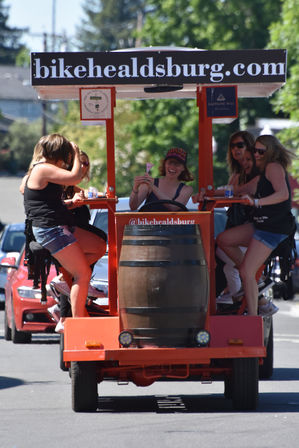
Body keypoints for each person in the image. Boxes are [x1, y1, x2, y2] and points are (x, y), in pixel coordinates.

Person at [23, 134, 106, 320]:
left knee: (99, 245)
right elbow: (74, 177)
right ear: (59, 153)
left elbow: (51, 203)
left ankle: (64, 278)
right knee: (83, 273)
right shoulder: (42, 169)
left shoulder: (45, 171)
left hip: (56, 226)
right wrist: (76, 153)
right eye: (67, 155)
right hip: (51, 229)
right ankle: (78, 321)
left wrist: (70, 203)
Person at [216, 135, 295, 316]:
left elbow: (282, 194)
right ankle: (261, 282)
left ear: (271, 152)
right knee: (224, 240)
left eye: (261, 151)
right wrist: (209, 192)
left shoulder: (273, 166)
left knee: (245, 271)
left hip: (272, 228)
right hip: (261, 226)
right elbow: (240, 190)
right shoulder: (260, 172)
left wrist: (257, 202)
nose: (257, 155)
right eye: (255, 151)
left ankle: (253, 315)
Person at [129, 147, 193, 211]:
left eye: (177, 164)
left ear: (183, 168)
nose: (172, 167)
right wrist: (135, 188)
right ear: (164, 164)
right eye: (170, 163)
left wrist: (153, 187)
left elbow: (173, 207)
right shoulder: (149, 184)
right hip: (148, 220)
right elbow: (133, 207)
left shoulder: (187, 189)